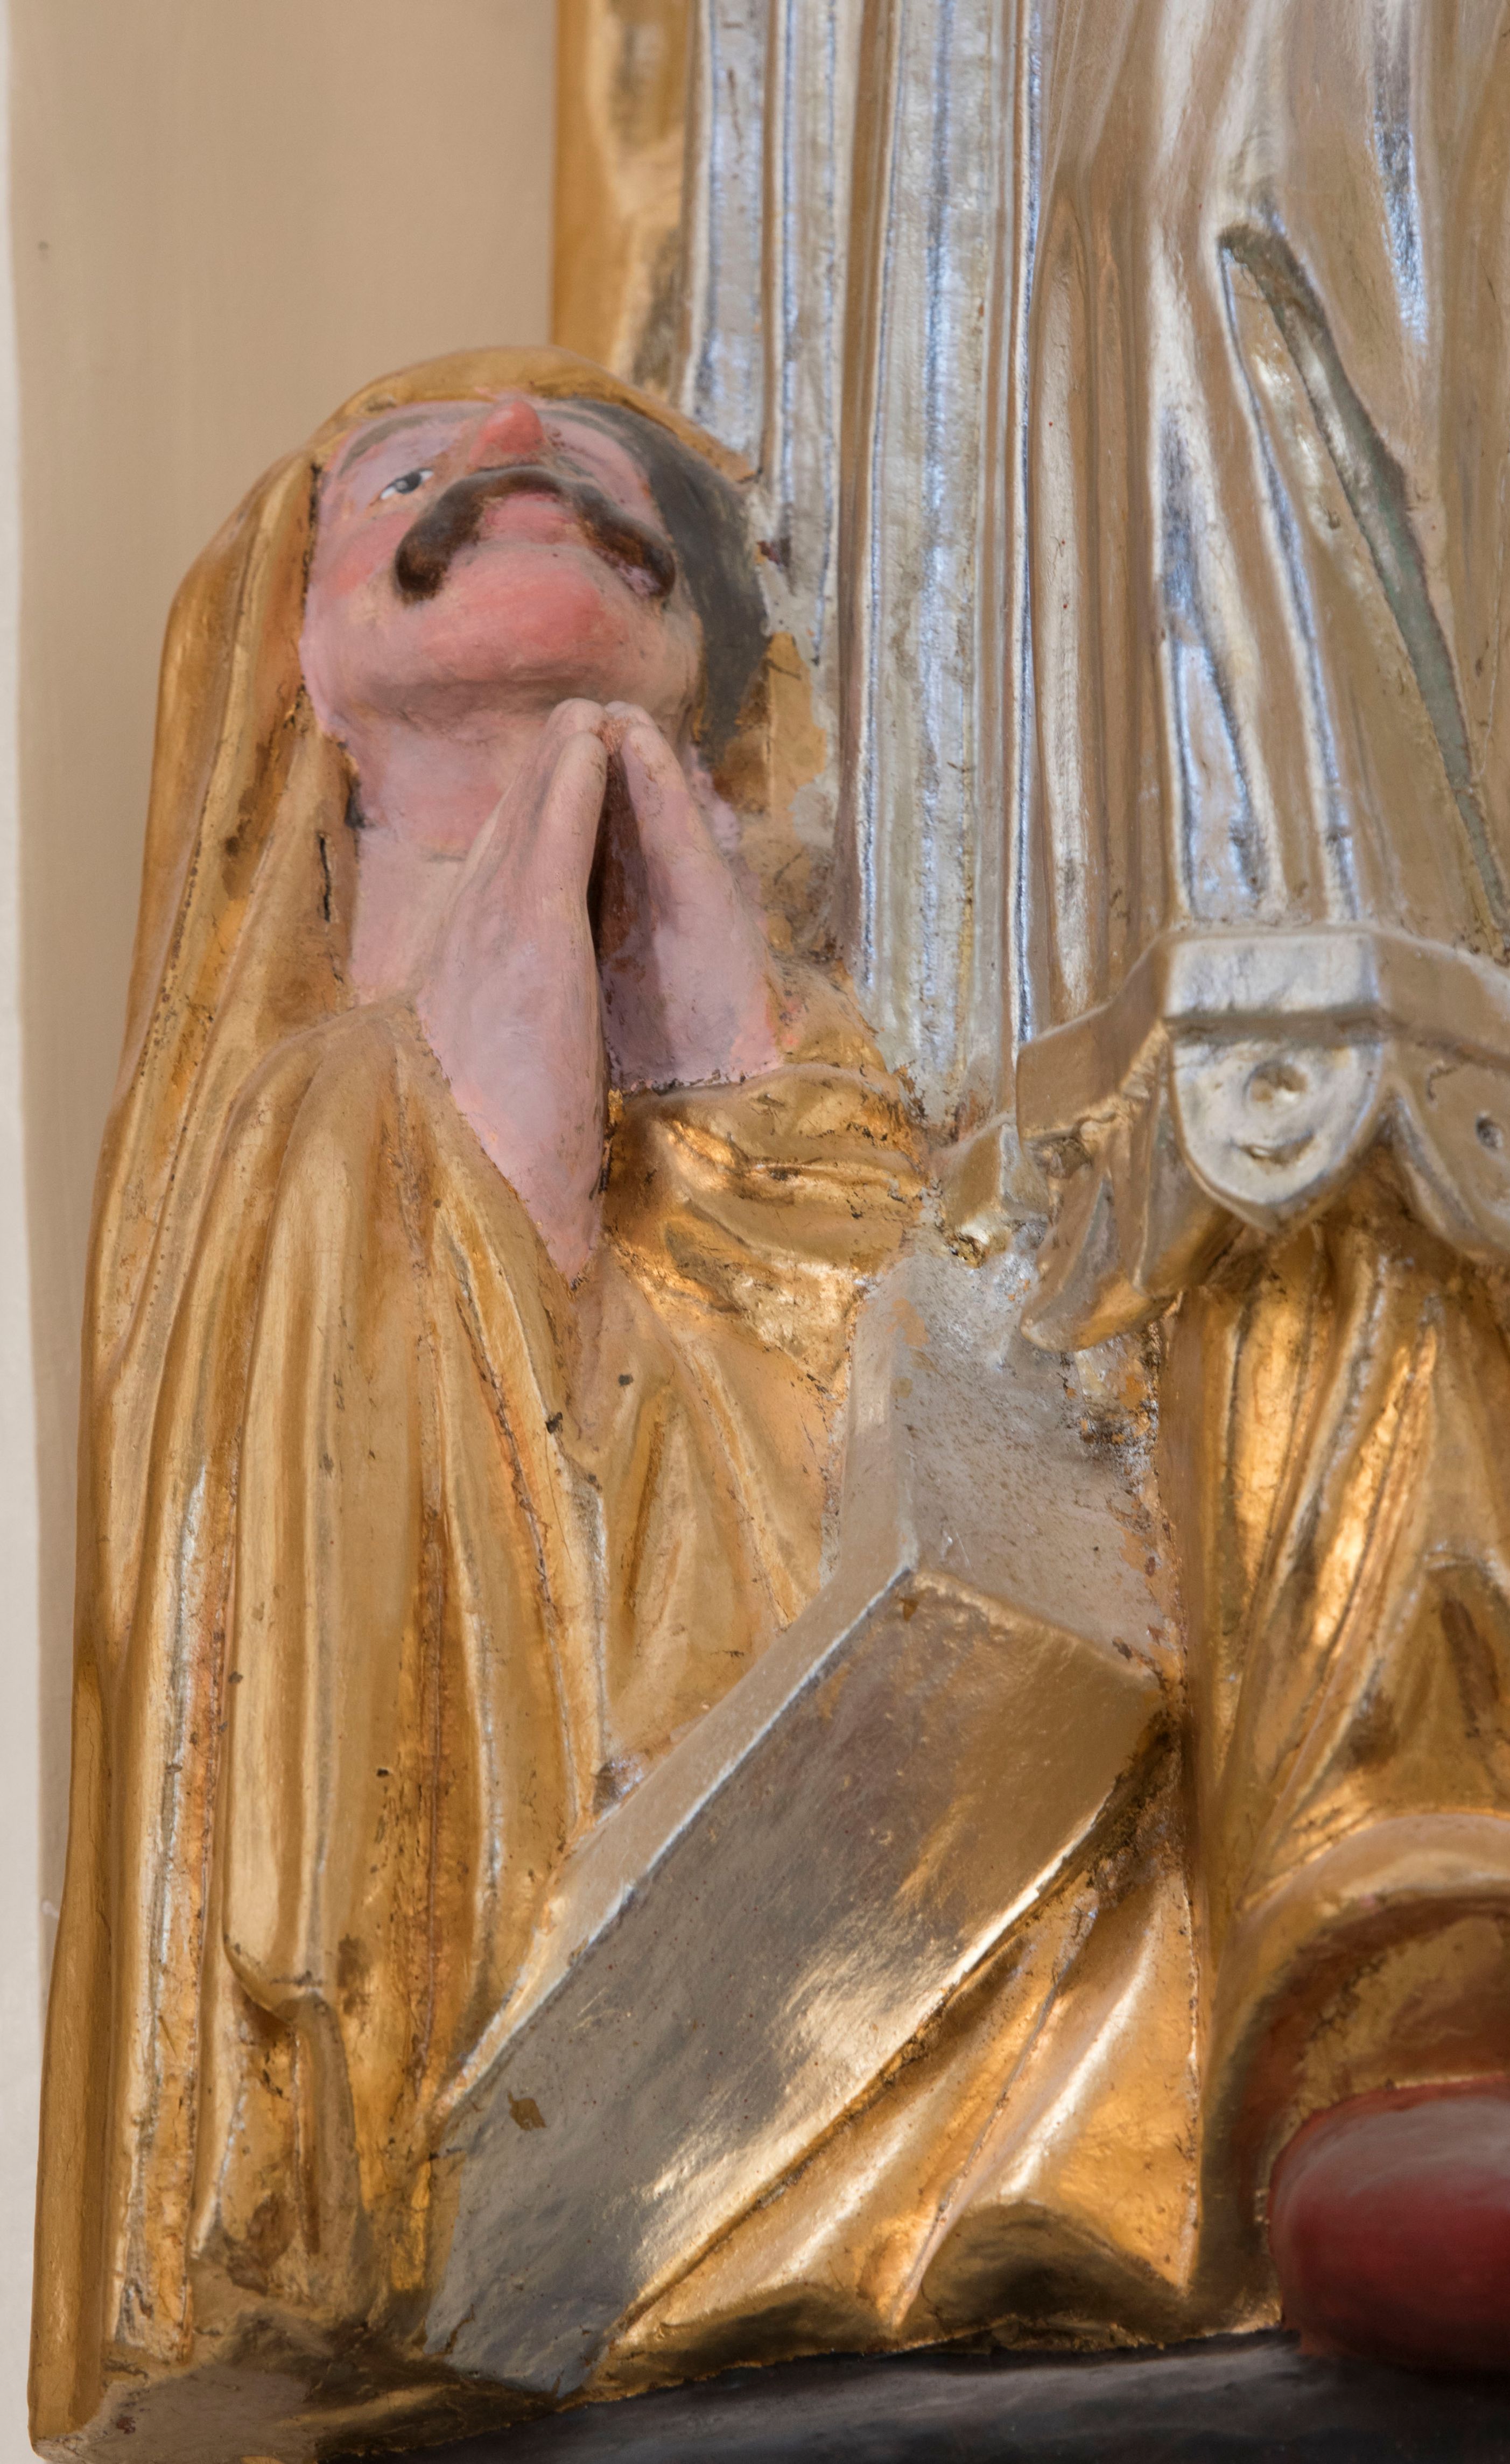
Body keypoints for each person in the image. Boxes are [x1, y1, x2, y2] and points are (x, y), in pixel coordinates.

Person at [30, 350, 921, 2455]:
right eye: (412, 476)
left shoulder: (839, 1098)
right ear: (293, 669)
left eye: (612, 488)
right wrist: (455, 1119)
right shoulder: (264, 1141)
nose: (518, 460)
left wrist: (728, 1068)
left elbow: (890, 1454)